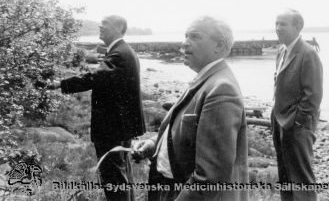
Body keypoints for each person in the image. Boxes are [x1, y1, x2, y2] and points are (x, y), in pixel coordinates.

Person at [132, 16, 248, 201]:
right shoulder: (206, 79)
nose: (184, 43)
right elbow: (189, 131)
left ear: (219, 46)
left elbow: (210, 178)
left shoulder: (221, 89)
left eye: (194, 37)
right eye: (185, 36)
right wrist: (156, 143)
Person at [50, 15, 145, 201]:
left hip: (112, 129)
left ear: (119, 28)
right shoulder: (123, 51)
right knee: (122, 176)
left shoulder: (119, 54)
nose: (100, 26)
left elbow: (95, 78)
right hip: (120, 128)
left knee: (114, 179)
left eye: (105, 24)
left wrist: (58, 84)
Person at [271, 9, 323, 201]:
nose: (277, 28)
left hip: (296, 125)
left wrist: (298, 122)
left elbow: (313, 96)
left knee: (301, 178)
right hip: (279, 121)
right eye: (276, 24)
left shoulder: (308, 54)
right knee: (285, 174)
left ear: (298, 27)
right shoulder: (282, 50)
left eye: (282, 24)